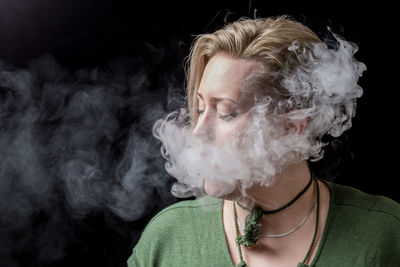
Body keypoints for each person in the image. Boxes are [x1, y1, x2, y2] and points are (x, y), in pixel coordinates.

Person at [127, 16, 400, 266]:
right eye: (200, 109)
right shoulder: (168, 237)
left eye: (226, 113)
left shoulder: (383, 234)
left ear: (292, 127)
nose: (198, 131)